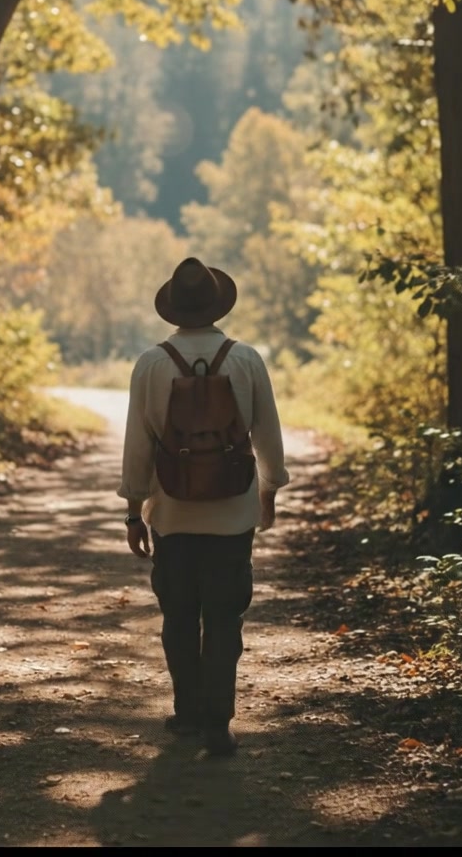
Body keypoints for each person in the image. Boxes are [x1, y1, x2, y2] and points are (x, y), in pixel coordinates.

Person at [117, 256, 289, 756]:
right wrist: (269, 492)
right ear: (217, 305)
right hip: (233, 516)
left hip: (171, 514)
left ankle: (187, 713)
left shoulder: (151, 363)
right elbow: (268, 434)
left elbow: (138, 446)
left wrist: (133, 509)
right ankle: (218, 723)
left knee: (177, 618)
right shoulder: (246, 358)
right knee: (223, 619)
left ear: (172, 309)